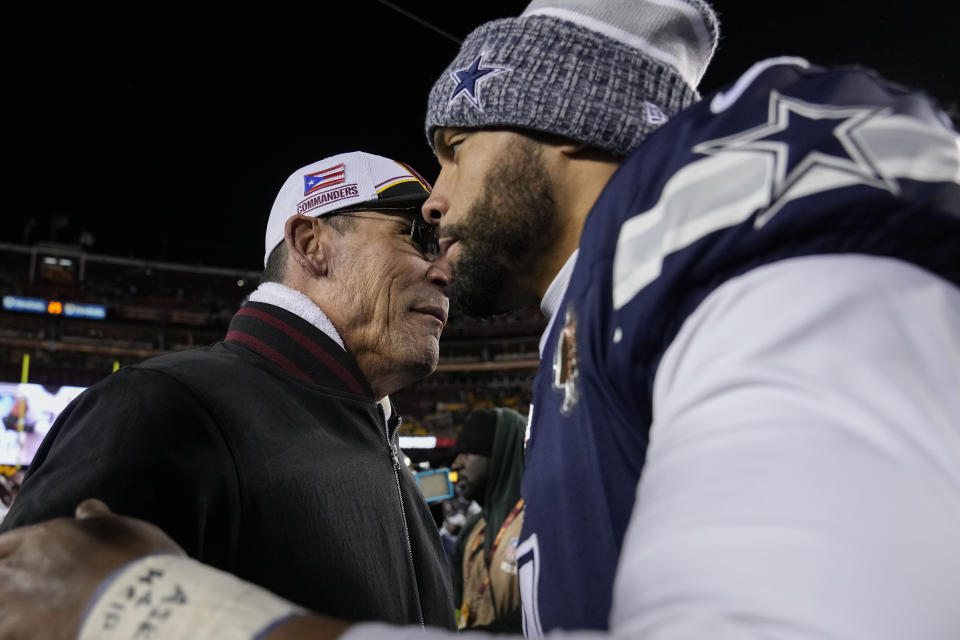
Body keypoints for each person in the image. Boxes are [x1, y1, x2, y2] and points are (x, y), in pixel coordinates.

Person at [3, 1, 960, 639]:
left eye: (454, 149)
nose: (435, 200)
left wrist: (167, 614)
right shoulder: (578, 343)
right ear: (310, 245)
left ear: (562, 126)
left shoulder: (732, 209)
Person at [0, 151, 457, 629]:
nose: (446, 271)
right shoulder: (163, 406)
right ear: (311, 243)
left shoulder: (376, 437)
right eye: (420, 237)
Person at [449, 407, 526, 631]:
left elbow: (544, 614)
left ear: (500, 455)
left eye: (468, 451)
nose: (456, 464)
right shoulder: (473, 528)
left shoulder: (538, 526)